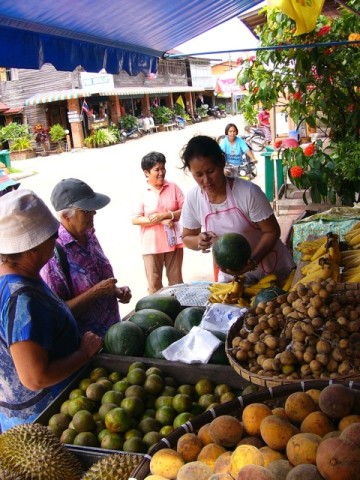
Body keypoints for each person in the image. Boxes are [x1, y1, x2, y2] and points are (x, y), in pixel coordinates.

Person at [0, 189, 102, 431]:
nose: (56, 241)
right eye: (52, 236)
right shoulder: (22, 299)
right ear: (32, 248)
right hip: (42, 421)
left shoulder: (14, 279)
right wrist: (84, 353)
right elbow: (35, 377)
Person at [180, 135, 295, 283]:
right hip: (233, 278)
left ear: (222, 162)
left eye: (210, 171)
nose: (206, 180)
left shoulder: (248, 192)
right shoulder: (193, 199)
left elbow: (272, 231)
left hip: (270, 270)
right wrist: (198, 241)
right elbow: (187, 237)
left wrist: (252, 261)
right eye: (199, 175)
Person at [41, 178, 131, 338]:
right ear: (66, 216)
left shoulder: (89, 235)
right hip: (83, 348)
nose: (94, 213)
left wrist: (115, 291)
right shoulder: (53, 252)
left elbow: (99, 278)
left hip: (112, 336)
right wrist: (96, 292)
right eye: (86, 210)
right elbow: (56, 312)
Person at [132, 152, 185, 294]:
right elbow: (135, 219)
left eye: (163, 168)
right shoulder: (142, 192)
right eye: (157, 170)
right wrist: (159, 221)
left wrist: (167, 215)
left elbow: (186, 209)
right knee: (154, 285)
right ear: (146, 172)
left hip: (173, 243)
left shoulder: (173, 187)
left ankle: (178, 312)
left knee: (177, 283)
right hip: (151, 245)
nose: (161, 173)